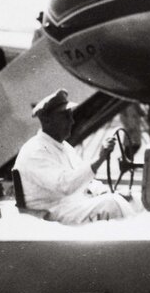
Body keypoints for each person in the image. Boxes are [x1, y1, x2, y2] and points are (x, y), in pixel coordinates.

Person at [14, 89, 142, 223]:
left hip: (72, 205)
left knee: (135, 198)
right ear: (47, 121)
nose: (72, 121)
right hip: (52, 213)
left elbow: (87, 181)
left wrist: (104, 191)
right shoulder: (35, 151)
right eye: (65, 117)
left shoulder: (64, 147)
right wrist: (99, 160)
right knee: (112, 204)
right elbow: (64, 186)